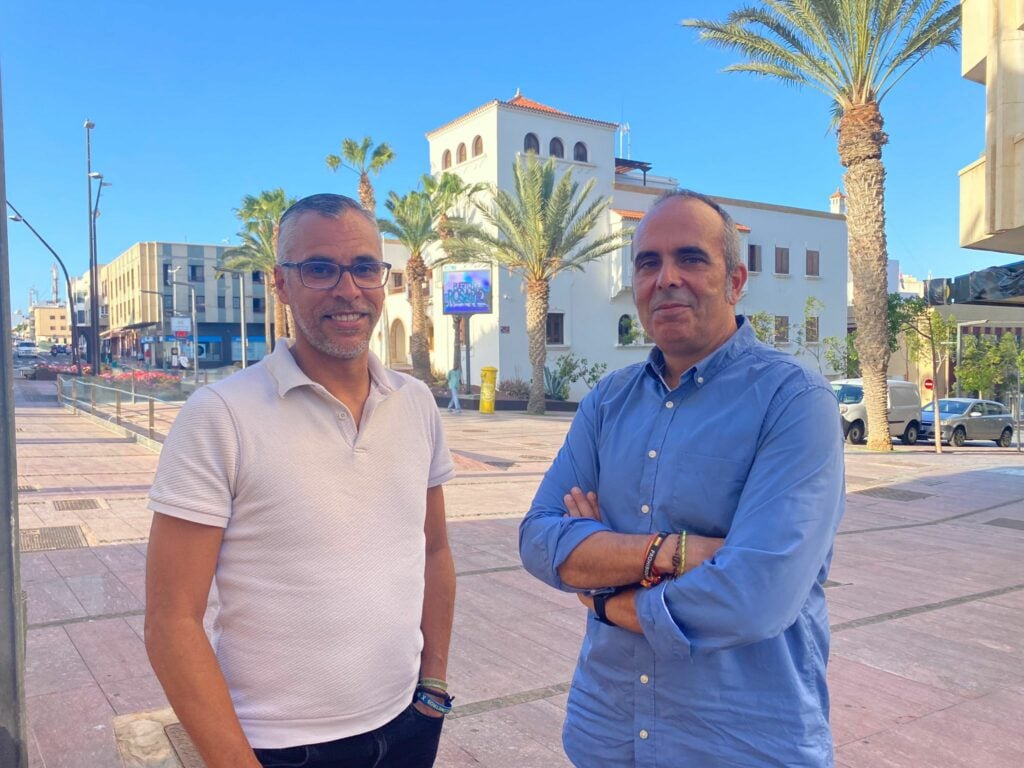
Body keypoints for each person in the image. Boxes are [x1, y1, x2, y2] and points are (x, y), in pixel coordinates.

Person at [519, 189, 845, 767]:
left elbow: (755, 596)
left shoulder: (793, 401)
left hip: (740, 745)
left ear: (735, 281)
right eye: (648, 262)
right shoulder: (607, 403)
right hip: (607, 735)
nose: (666, 278)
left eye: (691, 258)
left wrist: (606, 598)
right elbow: (540, 540)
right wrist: (677, 553)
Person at [145, 193, 457, 768]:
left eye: (364, 267)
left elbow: (433, 550)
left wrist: (433, 686)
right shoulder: (221, 415)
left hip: (408, 722)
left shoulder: (416, 403)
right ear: (281, 283)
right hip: (280, 744)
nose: (348, 289)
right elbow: (171, 621)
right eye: (319, 268)